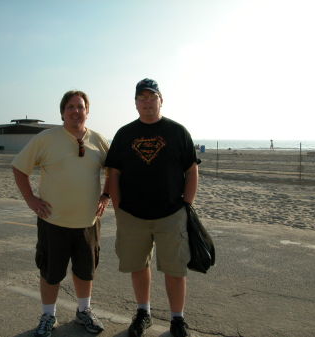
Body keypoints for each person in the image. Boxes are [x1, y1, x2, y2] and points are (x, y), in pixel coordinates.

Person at [105, 78, 199, 337]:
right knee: (138, 266)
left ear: (161, 100)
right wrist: (118, 207)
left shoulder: (178, 132)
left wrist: (186, 205)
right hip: (132, 215)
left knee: (175, 269)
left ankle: (177, 319)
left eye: (152, 97)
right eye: (142, 98)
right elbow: (113, 172)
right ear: (135, 103)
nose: (147, 101)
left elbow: (191, 169)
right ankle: (143, 312)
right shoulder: (124, 134)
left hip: (171, 214)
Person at [12, 90, 110, 337]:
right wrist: (31, 200)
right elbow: (19, 168)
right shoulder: (46, 138)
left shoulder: (98, 140)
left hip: (88, 222)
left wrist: (106, 195)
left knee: (85, 271)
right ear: (62, 112)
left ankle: (84, 312)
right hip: (53, 221)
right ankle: (48, 316)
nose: (76, 111)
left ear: (87, 111)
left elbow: (114, 171)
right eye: (70, 107)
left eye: (80, 106)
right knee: (50, 272)